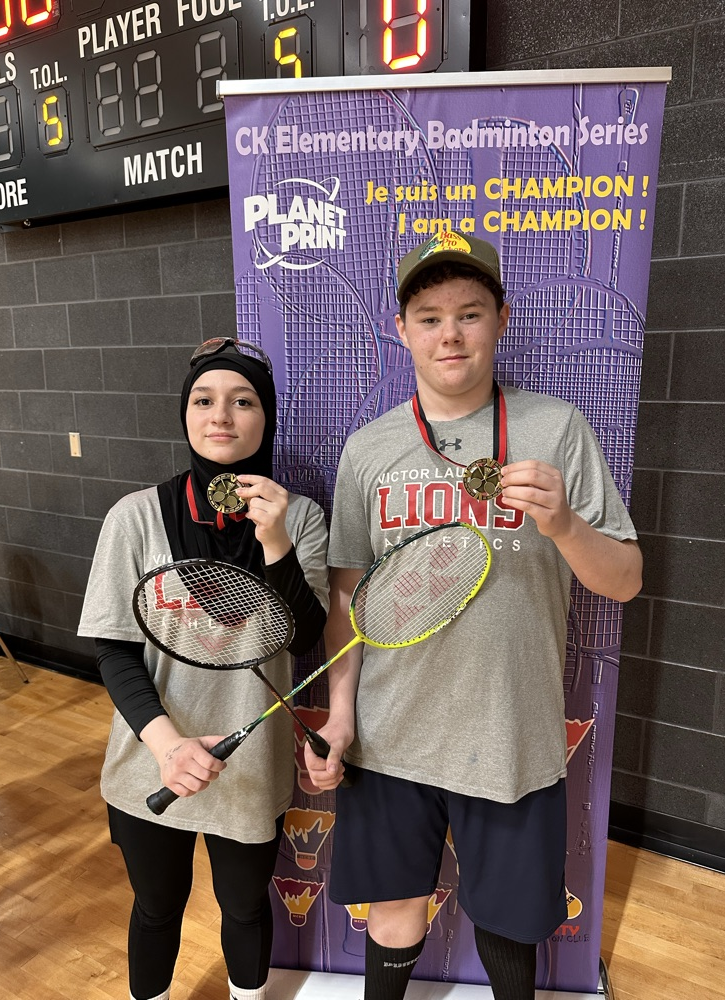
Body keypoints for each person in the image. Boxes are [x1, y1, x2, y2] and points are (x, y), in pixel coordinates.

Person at [304, 233, 642, 1000]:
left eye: (469, 313)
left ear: (502, 319)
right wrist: (343, 716)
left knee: (511, 925)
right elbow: (347, 601)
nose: (449, 334)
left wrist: (564, 527)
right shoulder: (369, 450)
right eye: (428, 316)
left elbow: (624, 582)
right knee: (391, 913)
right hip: (393, 735)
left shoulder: (556, 430)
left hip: (510, 733)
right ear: (402, 330)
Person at [79, 338, 329, 1000]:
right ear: (185, 415)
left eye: (243, 401)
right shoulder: (135, 517)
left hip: (249, 763)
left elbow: (304, 637)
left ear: (265, 419)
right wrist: (165, 746)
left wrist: (274, 540)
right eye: (204, 400)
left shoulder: (299, 518)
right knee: (156, 908)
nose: (222, 415)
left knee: (245, 908)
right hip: (151, 764)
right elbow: (114, 649)